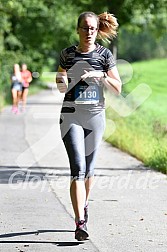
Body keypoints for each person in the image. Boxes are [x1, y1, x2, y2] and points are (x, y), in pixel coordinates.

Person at [56, 11, 122, 241]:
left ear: (97, 30)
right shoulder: (67, 54)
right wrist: (62, 80)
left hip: (95, 117)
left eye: (92, 28)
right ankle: (80, 222)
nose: (89, 32)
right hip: (71, 116)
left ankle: (83, 205)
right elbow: (60, 82)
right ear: (78, 29)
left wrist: (100, 75)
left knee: (89, 170)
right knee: (78, 168)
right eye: (85, 28)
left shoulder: (104, 55)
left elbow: (118, 87)